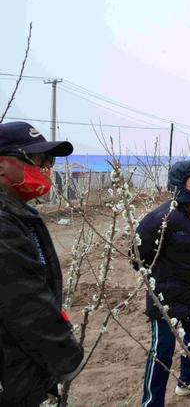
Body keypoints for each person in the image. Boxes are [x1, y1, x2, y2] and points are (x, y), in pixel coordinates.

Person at [0, 121, 84, 406]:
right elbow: (24, 300)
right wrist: (66, 356)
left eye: (48, 161)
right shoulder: (3, 223)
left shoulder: (17, 213)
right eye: (36, 160)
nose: (45, 168)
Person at [136, 160, 190, 406]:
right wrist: (162, 276)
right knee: (162, 352)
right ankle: (152, 402)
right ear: (178, 187)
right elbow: (138, 255)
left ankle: (188, 381)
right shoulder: (160, 218)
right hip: (166, 296)